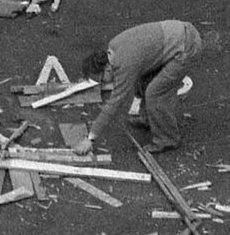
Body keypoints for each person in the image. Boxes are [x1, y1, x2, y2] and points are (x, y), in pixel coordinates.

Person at [72, 19, 204, 156]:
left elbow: (114, 103)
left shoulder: (125, 65)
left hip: (186, 48)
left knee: (155, 94)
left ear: (107, 69)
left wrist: (90, 138)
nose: (103, 83)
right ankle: (149, 119)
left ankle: (168, 139)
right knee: (144, 79)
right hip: (179, 34)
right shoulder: (113, 47)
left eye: (101, 80)